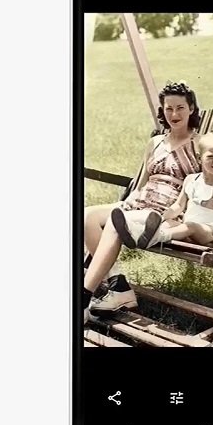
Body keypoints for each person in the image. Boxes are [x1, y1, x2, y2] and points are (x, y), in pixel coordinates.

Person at [82, 81, 201, 318]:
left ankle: (83, 297)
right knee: (86, 216)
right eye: (168, 108)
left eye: (180, 108)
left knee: (116, 222)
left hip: (165, 212)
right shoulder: (155, 142)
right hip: (140, 203)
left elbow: (208, 183)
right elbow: (142, 183)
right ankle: (119, 287)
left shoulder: (199, 144)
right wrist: (130, 199)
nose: (174, 114)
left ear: (191, 108)